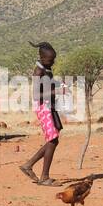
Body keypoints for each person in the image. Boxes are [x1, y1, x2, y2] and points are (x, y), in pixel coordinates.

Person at [20, 41, 61, 184]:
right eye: (50, 60)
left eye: (54, 59)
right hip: (43, 107)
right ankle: (44, 177)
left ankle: (28, 165)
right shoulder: (39, 71)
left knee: (53, 141)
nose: (53, 62)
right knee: (52, 140)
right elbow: (37, 95)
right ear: (42, 58)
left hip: (49, 106)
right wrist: (57, 90)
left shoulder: (46, 69)